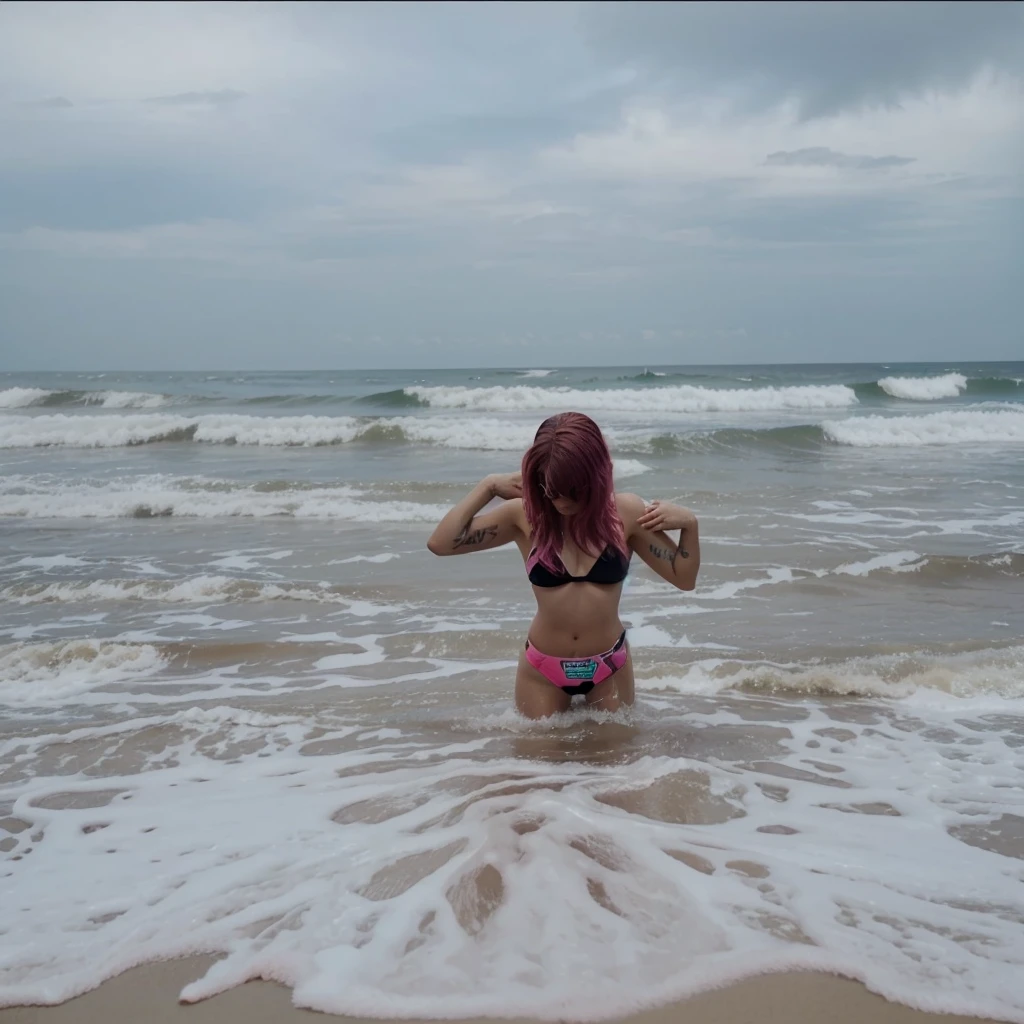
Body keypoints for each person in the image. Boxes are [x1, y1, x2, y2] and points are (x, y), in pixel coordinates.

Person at [427, 412, 700, 719]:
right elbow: (441, 543)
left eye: (573, 492)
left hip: (609, 666)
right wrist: (488, 486)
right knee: (538, 765)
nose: (561, 503)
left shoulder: (627, 514)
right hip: (543, 669)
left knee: (616, 764)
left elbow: (683, 577)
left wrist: (689, 525)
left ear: (595, 479)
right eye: (550, 490)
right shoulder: (524, 517)